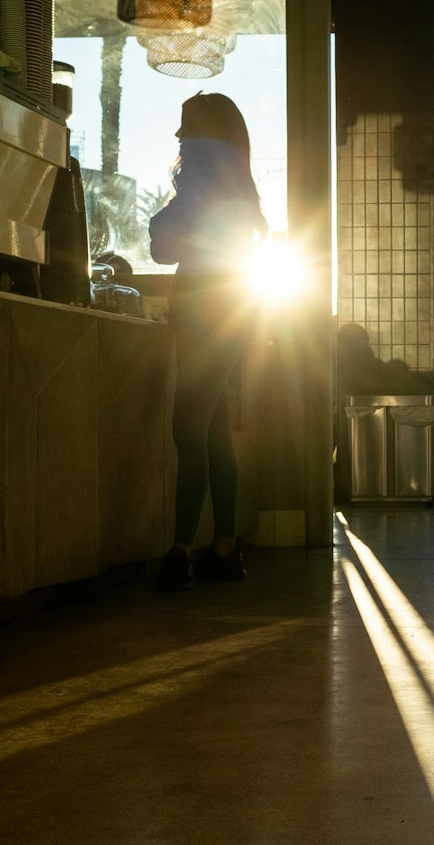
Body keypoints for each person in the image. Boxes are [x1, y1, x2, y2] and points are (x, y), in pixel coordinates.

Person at [149, 92, 268, 591]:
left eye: (185, 127)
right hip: (233, 314)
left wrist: (163, 224)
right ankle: (224, 549)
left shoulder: (198, 183)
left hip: (200, 314)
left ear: (202, 135)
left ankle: (181, 553)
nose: (179, 136)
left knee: (188, 431)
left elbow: (161, 245)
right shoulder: (241, 187)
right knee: (215, 433)